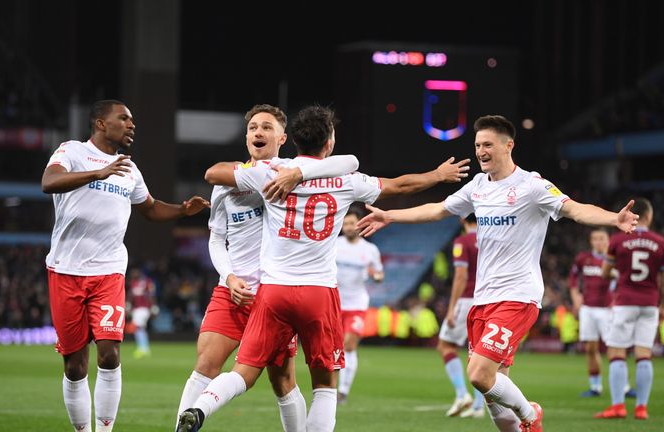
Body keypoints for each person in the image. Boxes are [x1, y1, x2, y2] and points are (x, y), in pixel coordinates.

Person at [177, 104, 469, 432]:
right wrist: (438, 176)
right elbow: (398, 185)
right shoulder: (343, 178)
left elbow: (214, 173)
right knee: (325, 385)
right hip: (318, 291)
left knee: (245, 370)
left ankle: (200, 408)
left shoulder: (270, 172)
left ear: (292, 140)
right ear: (328, 143)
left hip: (274, 292)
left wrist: (296, 173)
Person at [357, 115, 639, 432]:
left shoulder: (532, 186)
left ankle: (530, 414)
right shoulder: (478, 187)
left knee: (479, 374)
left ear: (509, 145)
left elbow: (574, 208)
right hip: (483, 300)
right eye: (478, 145)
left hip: (517, 296)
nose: (481, 151)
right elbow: (438, 209)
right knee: (492, 389)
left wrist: (614, 218)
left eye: (488, 144)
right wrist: (390, 215)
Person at [175, 103, 361, 431]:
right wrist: (229, 277)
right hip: (233, 290)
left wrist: (300, 172)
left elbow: (346, 162)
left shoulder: (290, 174)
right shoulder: (230, 182)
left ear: (282, 137)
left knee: (283, 381)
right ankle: (183, 426)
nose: (258, 133)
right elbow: (217, 240)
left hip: (274, 294)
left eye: (266, 127)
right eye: (253, 128)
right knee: (206, 363)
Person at [41, 99, 209, 432]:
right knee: (75, 366)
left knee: (110, 355)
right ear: (101, 123)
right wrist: (98, 172)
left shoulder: (129, 169)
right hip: (66, 270)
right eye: (124, 119)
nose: (132, 125)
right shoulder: (71, 151)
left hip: (109, 271)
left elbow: (149, 207)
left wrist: (181, 210)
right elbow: (49, 181)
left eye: (132, 120)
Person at [595, 197, 664, 420]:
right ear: (648, 216)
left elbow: (605, 273)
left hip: (625, 302)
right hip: (649, 304)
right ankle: (641, 408)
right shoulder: (661, 242)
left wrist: (620, 273)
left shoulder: (618, 241)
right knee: (644, 355)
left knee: (617, 353)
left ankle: (618, 406)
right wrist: (663, 307)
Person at [334, 204, 385, 405]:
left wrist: (377, 276)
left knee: (349, 345)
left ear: (359, 225)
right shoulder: (334, 245)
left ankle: (343, 391)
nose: (348, 227)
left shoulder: (370, 250)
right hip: (334, 302)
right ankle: (329, 387)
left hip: (357, 304)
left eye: (351, 223)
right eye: (345, 223)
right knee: (333, 347)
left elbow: (379, 274)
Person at [437, 215, 485, 418]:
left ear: (462, 220)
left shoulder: (462, 242)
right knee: (479, 353)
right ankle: (478, 406)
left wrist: (451, 307)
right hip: (488, 300)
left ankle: (461, 394)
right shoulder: (490, 238)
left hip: (466, 300)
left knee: (445, 345)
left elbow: (461, 275)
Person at [568, 228, 612, 397]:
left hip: (607, 309)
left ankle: (623, 386)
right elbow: (573, 279)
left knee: (614, 349)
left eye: (601, 239)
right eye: (595, 239)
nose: (598, 242)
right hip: (587, 309)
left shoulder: (613, 259)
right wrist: (575, 297)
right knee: (590, 349)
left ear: (608, 241)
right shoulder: (583, 259)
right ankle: (595, 386)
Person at [127, 268, 157, 358]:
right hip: (136, 309)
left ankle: (142, 348)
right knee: (140, 328)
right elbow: (130, 296)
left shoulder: (147, 282)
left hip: (144, 309)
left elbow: (152, 295)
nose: (134, 274)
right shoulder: (132, 283)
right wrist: (128, 306)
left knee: (137, 327)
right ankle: (145, 348)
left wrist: (154, 307)